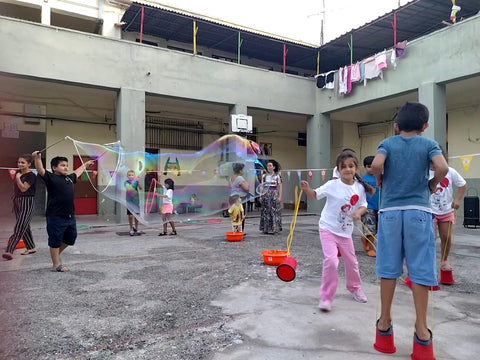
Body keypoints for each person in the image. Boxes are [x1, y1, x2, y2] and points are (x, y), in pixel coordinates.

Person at [370, 102, 448, 357]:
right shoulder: (428, 144)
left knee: (389, 269)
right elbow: (443, 168)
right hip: (418, 213)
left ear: (396, 126)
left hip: (390, 213)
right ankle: (422, 332)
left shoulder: (388, 143)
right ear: (424, 126)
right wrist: (431, 184)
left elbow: (376, 165)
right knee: (420, 270)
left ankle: (384, 327)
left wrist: (379, 179)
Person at [300, 150, 374, 312]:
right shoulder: (332, 185)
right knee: (331, 261)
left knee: (352, 262)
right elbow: (315, 195)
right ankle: (326, 297)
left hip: (345, 232)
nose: (348, 169)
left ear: (356, 168)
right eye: (344, 167)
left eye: (351, 166)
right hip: (327, 228)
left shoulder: (359, 187)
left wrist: (358, 213)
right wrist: (307, 189)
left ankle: (354, 287)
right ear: (338, 170)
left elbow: (363, 205)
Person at [32, 151, 95, 272]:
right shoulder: (51, 177)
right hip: (55, 215)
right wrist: (37, 157)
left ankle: (55, 254)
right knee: (55, 239)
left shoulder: (69, 178)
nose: (66, 167)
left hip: (70, 215)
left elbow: (77, 172)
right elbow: (40, 169)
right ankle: (56, 264)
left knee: (71, 238)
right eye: (62, 165)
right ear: (54, 168)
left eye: (67, 165)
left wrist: (86, 165)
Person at [429, 151, 466, 278]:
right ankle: (427, 263)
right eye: (431, 162)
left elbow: (462, 184)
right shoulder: (424, 172)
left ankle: (444, 261)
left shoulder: (450, 171)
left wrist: (457, 199)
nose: (433, 166)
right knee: (430, 237)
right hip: (430, 211)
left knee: (446, 237)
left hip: (446, 211)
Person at [3, 154, 38, 260]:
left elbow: (23, 189)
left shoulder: (31, 175)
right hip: (18, 202)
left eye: (23, 162)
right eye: (19, 162)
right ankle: (31, 247)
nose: (20, 164)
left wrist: (18, 178)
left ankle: (9, 250)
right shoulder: (19, 174)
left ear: (29, 164)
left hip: (27, 202)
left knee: (19, 226)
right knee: (25, 226)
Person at [360, 155, 379, 257]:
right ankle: (371, 247)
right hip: (368, 207)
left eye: (373, 166)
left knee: (378, 228)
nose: (371, 169)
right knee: (370, 228)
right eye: (369, 166)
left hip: (380, 206)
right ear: (364, 167)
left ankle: (366, 240)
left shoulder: (381, 177)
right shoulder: (362, 179)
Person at [259, 159, 282, 234]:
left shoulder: (277, 176)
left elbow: (280, 187)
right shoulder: (264, 176)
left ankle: (275, 228)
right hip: (266, 194)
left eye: (270, 165)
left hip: (274, 194)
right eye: (268, 165)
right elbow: (262, 186)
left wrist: (279, 197)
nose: (268, 167)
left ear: (274, 167)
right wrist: (260, 195)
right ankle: (266, 228)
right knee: (266, 211)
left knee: (274, 211)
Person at [229, 163, 249, 233]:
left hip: (232, 198)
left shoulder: (231, 178)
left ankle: (235, 230)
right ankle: (240, 232)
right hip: (239, 199)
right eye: (243, 169)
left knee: (234, 216)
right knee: (240, 215)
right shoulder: (240, 178)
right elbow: (246, 188)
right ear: (240, 170)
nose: (244, 171)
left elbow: (229, 187)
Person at [124, 169, 142, 236]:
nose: (131, 176)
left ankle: (137, 228)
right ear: (127, 176)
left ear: (134, 176)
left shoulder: (136, 182)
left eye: (132, 175)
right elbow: (130, 188)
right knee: (130, 216)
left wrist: (138, 181)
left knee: (136, 215)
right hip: (129, 201)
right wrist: (135, 181)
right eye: (129, 175)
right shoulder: (126, 182)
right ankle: (131, 228)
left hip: (136, 201)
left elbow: (140, 188)